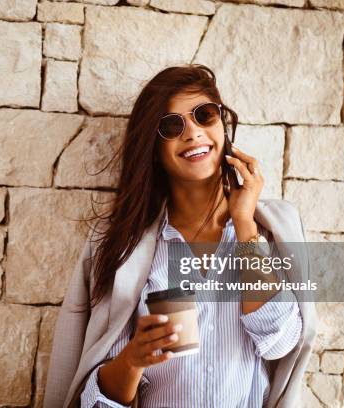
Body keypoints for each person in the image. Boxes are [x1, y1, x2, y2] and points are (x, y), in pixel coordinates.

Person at [43, 64, 316, 408]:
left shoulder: (273, 230)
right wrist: (132, 359)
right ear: (153, 149)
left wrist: (244, 222)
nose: (193, 132)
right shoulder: (122, 247)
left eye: (204, 115)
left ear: (222, 124)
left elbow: (280, 344)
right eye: (172, 125)